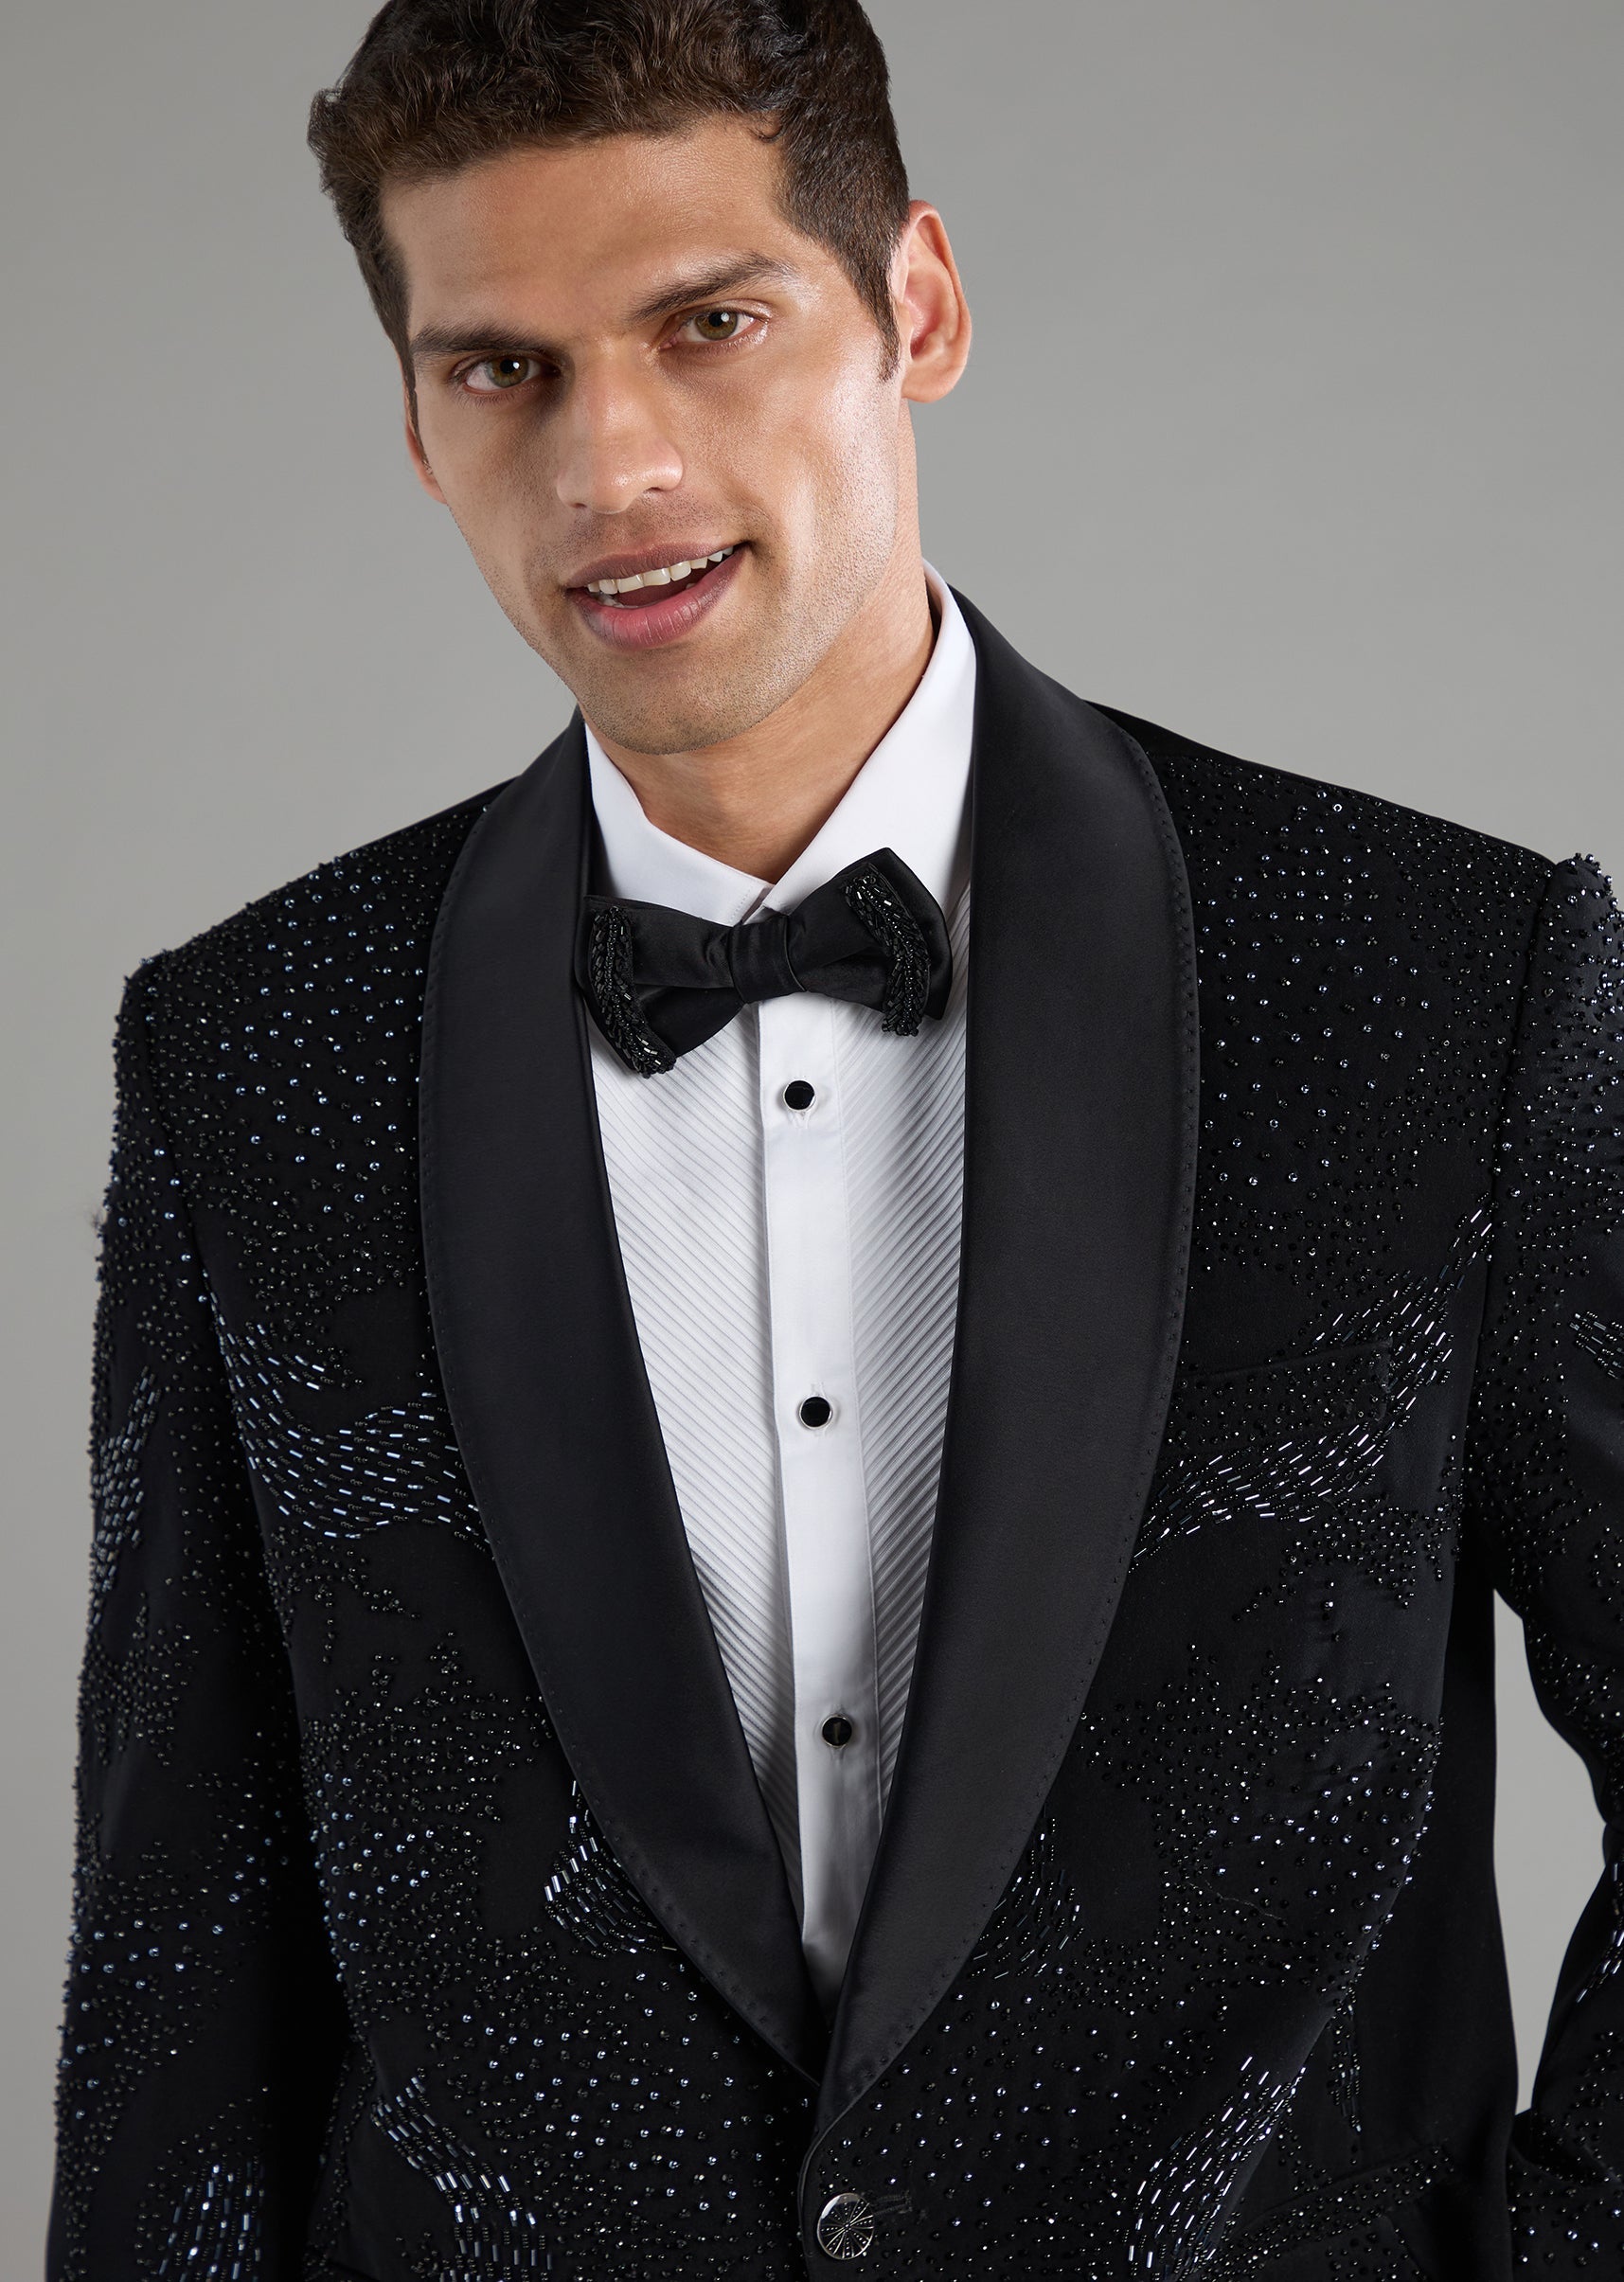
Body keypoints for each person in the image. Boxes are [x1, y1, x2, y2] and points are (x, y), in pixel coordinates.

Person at [47, 1, 1624, 2275]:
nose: (610, 463)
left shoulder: (1441, 980)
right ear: (414, 421)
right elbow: (179, 1993)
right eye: (503, 368)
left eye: (709, 324)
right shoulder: (248, 1051)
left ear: (919, 307)